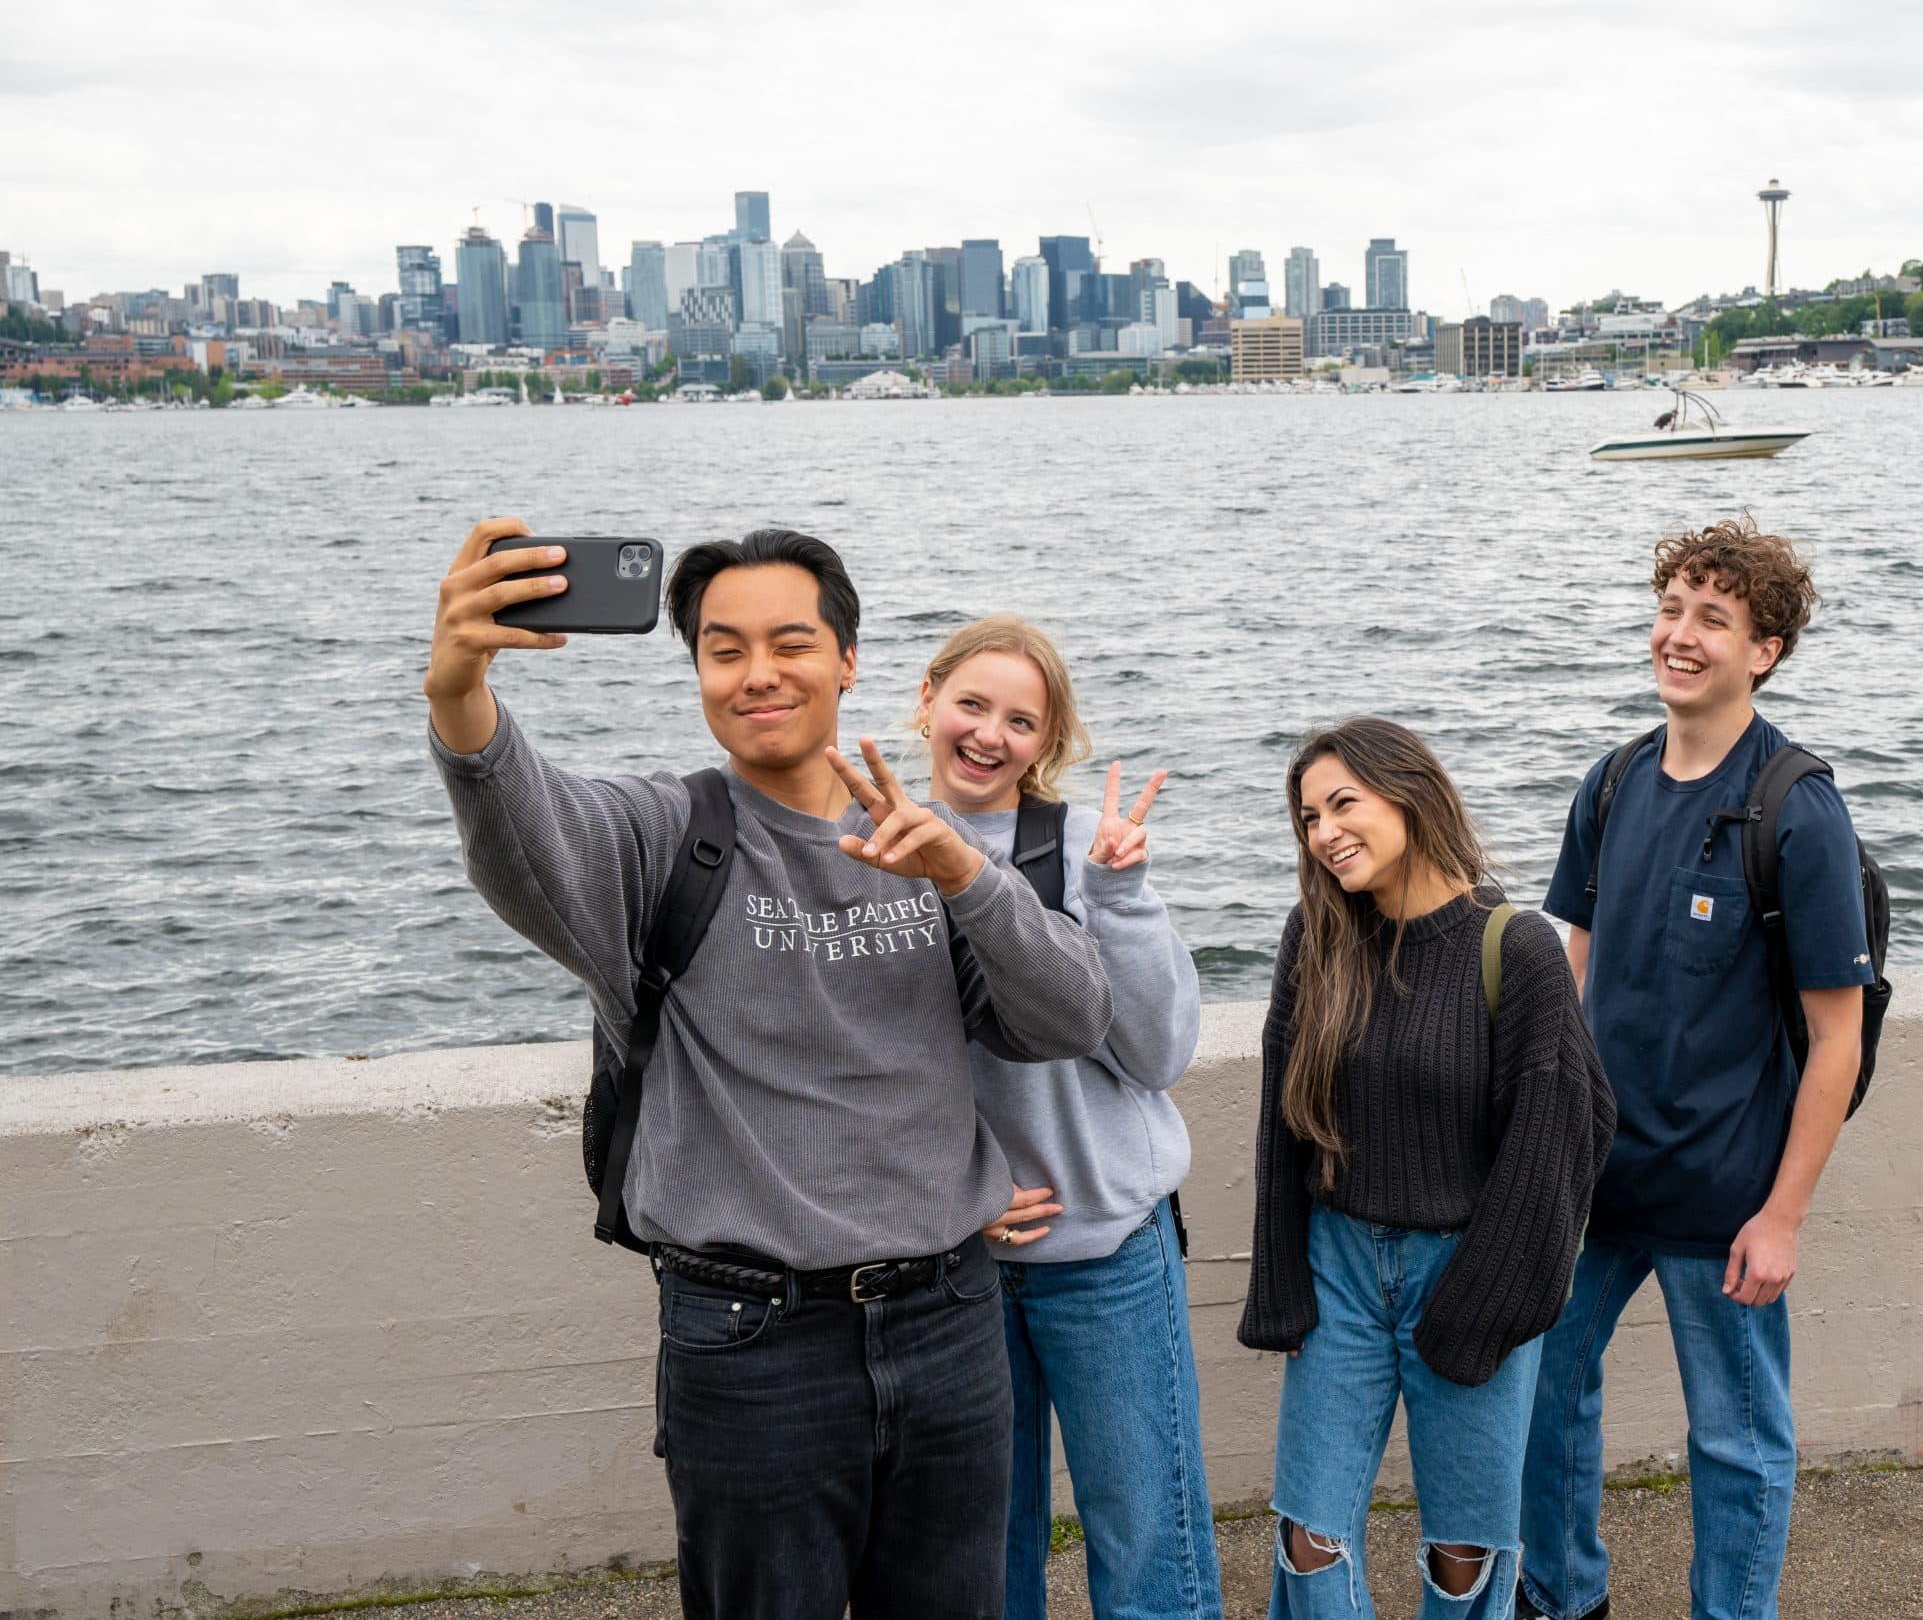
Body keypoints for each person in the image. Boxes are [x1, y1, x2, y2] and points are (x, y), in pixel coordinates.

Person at [424, 520, 1113, 1620]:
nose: (759, 675)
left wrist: (965, 877)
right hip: (752, 1347)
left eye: (791, 643)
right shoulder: (664, 836)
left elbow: (1070, 1015)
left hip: (949, 1323)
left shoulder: (926, 842)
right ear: (695, 669)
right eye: (722, 649)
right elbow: (524, 833)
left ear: (848, 658)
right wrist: (459, 689)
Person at [1518, 520, 1872, 1620]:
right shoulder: (1613, 783)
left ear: (1763, 649)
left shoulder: (1795, 811)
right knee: (1538, 1392)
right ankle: (1564, 1594)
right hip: (1594, 1180)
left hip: (1724, 1198)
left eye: (1710, 618)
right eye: (1670, 609)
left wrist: (1784, 1217)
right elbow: (1571, 967)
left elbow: (1837, 1039)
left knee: (1735, 1439)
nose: (1678, 635)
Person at [1240, 718, 1616, 1620]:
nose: (1324, 831)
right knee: (1308, 1533)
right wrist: (1281, 1280)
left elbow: (1565, 1131)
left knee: (1464, 1552)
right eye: (1308, 817)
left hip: (1467, 1267)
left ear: (1408, 795)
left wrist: (1487, 1298)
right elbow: (1281, 1118)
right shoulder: (1317, 934)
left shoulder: (1513, 947)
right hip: (1339, 1266)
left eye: (1343, 803)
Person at [908, 615, 1221, 1620]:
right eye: (972, 704)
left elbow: (1156, 1056)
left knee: (1148, 1542)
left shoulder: (1086, 846)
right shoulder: (879, 849)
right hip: (956, 1271)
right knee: (979, 1556)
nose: (989, 734)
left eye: (1021, 720)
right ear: (926, 702)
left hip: (1108, 1258)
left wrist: (1120, 901)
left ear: (1048, 743)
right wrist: (953, 1196)